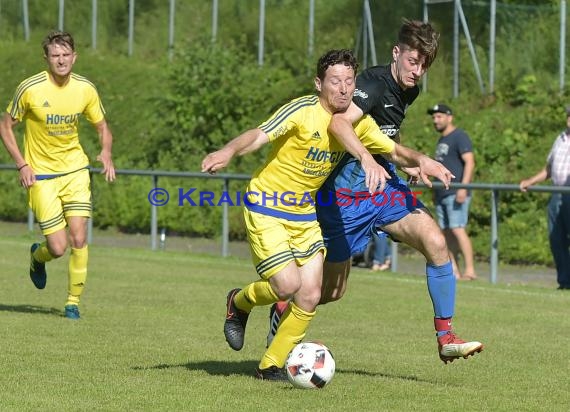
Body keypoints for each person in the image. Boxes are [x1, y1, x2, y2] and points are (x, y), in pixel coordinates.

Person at [201, 49, 453, 380]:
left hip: (304, 213)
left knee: (310, 294)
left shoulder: (357, 122)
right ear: (319, 83)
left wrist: (423, 160)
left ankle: (270, 365)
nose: (344, 89)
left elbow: (393, 150)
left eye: (349, 81)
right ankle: (240, 302)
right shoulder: (302, 111)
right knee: (287, 285)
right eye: (335, 81)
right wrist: (229, 150)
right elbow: (259, 135)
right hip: (267, 205)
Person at [268, 19, 483, 364]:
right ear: (397, 53)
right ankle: (281, 309)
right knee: (330, 293)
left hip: (382, 190)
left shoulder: (409, 90)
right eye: (413, 61)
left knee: (436, 241)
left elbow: (385, 132)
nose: (418, 71)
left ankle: (446, 336)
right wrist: (367, 158)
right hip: (343, 199)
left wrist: (406, 162)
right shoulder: (372, 82)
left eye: (425, 64)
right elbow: (339, 123)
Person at [0, 31, 115, 319]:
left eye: (66, 55)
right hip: (42, 176)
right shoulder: (30, 89)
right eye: (55, 55)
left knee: (79, 238)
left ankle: (72, 302)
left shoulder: (85, 89)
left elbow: (102, 127)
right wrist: (22, 164)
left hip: (75, 170)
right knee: (58, 247)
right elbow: (5, 126)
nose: (61, 60)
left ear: (74, 57)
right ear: (47, 58)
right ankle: (37, 256)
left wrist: (106, 151)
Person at [519, 106, 570, 290]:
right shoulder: (561, 138)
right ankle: (565, 282)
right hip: (557, 194)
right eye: (569, 115)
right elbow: (549, 169)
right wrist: (530, 181)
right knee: (556, 239)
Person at [428, 103, 477, 280]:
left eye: (439, 116)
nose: (435, 120)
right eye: (434, 117)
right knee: (446, 232)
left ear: (450, 117)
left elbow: (470, 162)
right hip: (442, 193)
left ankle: (470, 270)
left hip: (456, 192)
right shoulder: (442, 139)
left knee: (458, 229)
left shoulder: (459, 136)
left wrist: (463, 187)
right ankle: (454, 270)